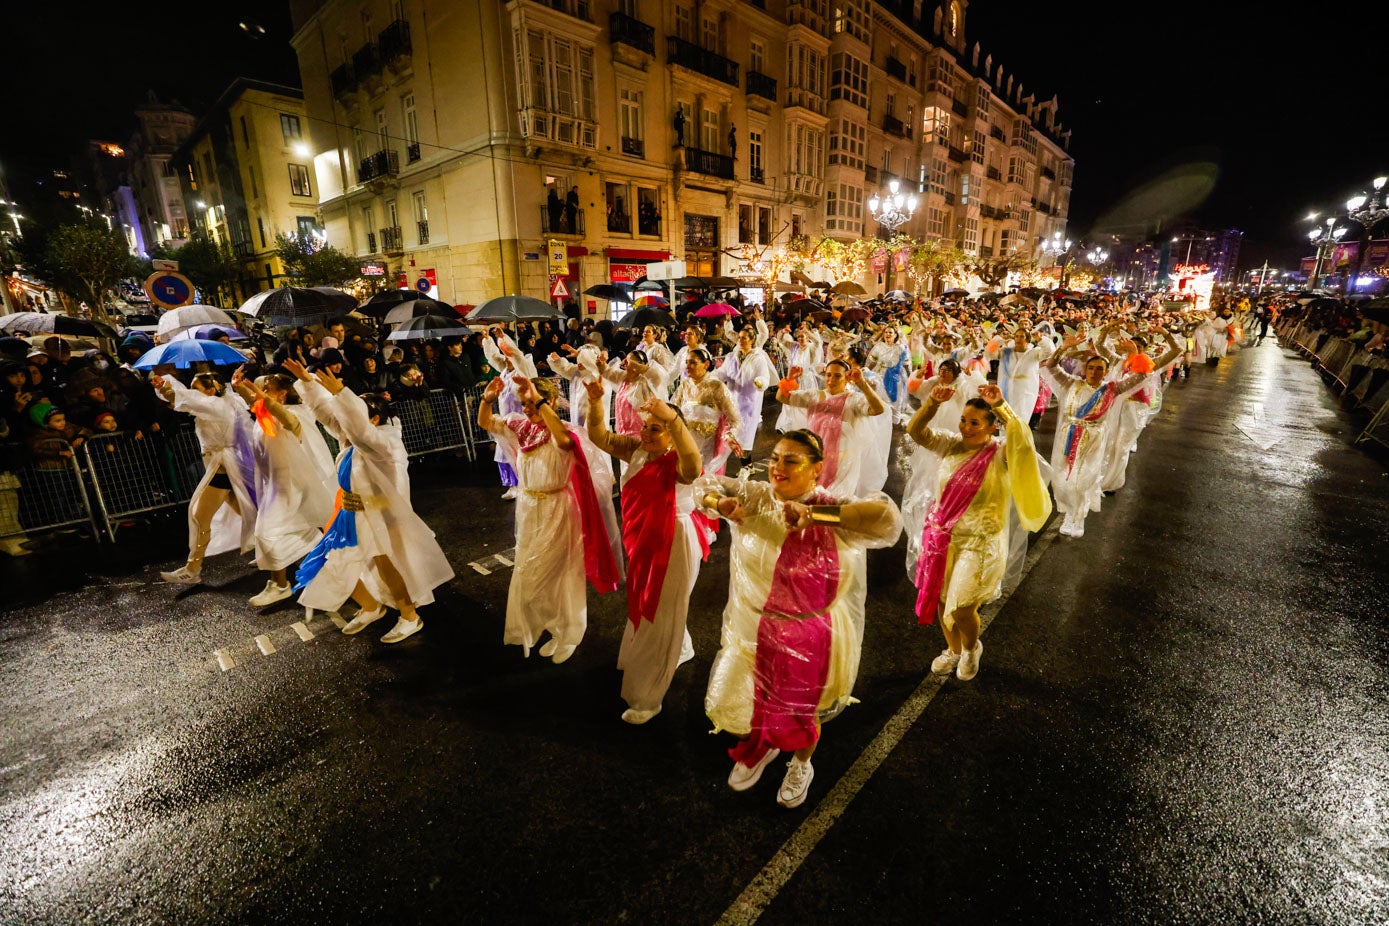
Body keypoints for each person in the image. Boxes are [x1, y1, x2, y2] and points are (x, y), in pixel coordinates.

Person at [696, 430, 902, 808]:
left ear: (816, 470)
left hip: (807, 633)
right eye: (775, 458)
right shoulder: (757, 496)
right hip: (752, 623)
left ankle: (801, 763)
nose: (777, 467)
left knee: (800, 712)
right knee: (757, 698)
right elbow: (703, 483)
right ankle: (761, 747)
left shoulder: (830, 506)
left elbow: (887, 519)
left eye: (791, 460)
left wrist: (815, 515)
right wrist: (717, 502)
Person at [284, 359, 455, 643]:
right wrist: (308, 382)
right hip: (350, 515)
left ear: (373, 419)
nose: (343, 421)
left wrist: (342, 395)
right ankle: (371, 606)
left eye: (356, 413)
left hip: (380, 517)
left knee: (388, 565)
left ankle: (410, 616)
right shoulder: (351, 438)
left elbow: (359, 430)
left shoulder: (383, 444)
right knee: (333, 562)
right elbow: (329, 414)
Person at [904, 383, 1051, 680]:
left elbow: (1022, 441)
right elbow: (916, 432)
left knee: (961, 606)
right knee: (943, 599)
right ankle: (953, 650)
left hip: (981, 542)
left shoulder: (1001, 453)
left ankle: (971, 648)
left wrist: (1001, 405)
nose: (966, 427)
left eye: (974, 423)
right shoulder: (950, 444)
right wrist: (932, 403)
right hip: (943, 538)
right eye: (963, 420)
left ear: (991, 426)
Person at [582, 380, 703, 724]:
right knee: (653, 605)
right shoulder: (637, 450)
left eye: (657, 429)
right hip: (642, 541)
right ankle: (680, 647)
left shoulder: (677, 462)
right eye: (646, 426)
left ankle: (649, 695)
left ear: (673, 433)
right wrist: (596, 402)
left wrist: (674, 421)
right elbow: (599, 437)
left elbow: (694, 467)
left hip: (672, 542)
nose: (648, 433)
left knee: (660, 613)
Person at [478, 374, 620, 664]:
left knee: (563, 574)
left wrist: (542, 405)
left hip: (559, 508)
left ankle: (570, 632)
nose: (528, 409)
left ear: (551, 401)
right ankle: (547, 623)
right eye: (524, 403)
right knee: (532, 571)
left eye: (533, 403)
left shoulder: (565, 431)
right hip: (529, 509)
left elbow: (565, 443)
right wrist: (487, 399)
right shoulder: (520, 427)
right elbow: (486, 422)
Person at [1040, 328, 1182, 538]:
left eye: (1100, 369)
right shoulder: (1071, 383)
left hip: (1093, 438)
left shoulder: (1112, 389)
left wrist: (1134, 354)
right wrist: (1063, 348)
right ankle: (1069, 512)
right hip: (1067, 436)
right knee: (1061, 479)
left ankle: (1078, 518)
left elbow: (1143, 375)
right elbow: (1050, 367)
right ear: (1085, 369)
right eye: (1091, 368)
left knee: (1081, 479)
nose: (1095, 372)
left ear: (1106, 372)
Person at [229, 367, 336, 608]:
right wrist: (238, 387)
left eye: (267, 389)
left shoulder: (293, 415)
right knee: (298, 531)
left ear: (283, 394)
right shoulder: (264, 412)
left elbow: (287, 420)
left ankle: (280, 585)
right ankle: (326, 563)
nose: (260, 392)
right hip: (274, 485)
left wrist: (262, 398)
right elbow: (257, 403)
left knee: (266, 534)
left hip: (291, 486)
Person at [152, 371, 258, 584]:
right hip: (224, 468)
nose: (192, 392)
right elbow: (189, 399)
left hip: (223, 470)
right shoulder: (217, 403)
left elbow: (186, 399)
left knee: (199, 516)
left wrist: (167, 390)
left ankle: (192, 569)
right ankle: (276, 548)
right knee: (251, 514)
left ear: (210, 390)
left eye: (197, 387)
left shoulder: (216, 406)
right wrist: (165, 387)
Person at [774, 359, 886, 496]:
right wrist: (789, 378)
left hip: (842, 462)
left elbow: (878, 409)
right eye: (828, 375)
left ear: (847, 378)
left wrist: (862, 384)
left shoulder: (853, 400)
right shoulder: (814, 396)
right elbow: (782, 397)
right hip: (815, 458)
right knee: (811, 498)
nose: (831, 379)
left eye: (837, 375)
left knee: (833, 502)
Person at [482, 326, 539, 500]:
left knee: (523, 454)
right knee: (503, 453)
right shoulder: (504, 372)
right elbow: (492, 356)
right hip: (506, 421)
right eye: (505, 357)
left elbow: (518, 357)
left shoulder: (523, 371)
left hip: (522, 421)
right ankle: (512, 486)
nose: (506, 359)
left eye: (508, 356)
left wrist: (504, 337)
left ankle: (528, 484)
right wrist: (488, 340)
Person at [714, 326, 774, 466]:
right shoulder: (731, 357)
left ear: (752, 340)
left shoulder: (758, 359)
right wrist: (708, 379)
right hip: (730, 402)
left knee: (744, 436)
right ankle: (717, 466)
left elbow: (764, 376)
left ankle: (747, 465)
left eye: (744, 338)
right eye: (739, 337)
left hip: (749, 404)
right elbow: (721, 373)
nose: (740, 340)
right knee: (727, 434)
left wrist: (760, 382)